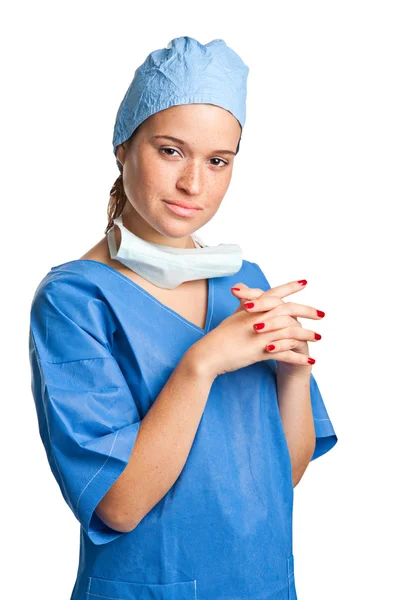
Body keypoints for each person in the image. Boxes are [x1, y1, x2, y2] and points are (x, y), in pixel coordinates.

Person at [28, 36, 337, 600]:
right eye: (171, 150)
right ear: (123, 147)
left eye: (217, 161)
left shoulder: (245, 283)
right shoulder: (76, 299)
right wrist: (202, 363)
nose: (194, 184)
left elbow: (280, 476)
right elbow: (118, 505)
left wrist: (295, 371)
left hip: (265, 585)